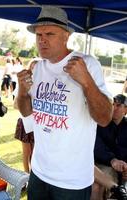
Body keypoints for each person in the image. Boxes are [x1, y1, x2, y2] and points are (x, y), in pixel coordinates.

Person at [17, 5, 112, 200]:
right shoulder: (37, 67)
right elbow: (27, 114)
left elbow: (104, 118)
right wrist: (23, 92)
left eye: (49, 34)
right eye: (39, 34)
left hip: (72, 181)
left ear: (66, 35)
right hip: (39, 172)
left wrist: (86, 81)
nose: (42, 40)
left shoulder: (86, 63)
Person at [92, 94, 127, 200]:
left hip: (120, 169)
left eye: (119, 105)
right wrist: (112, 159)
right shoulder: (101, 123)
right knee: (96, 187)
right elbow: (96, 146)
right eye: (113, 104)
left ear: (125, 110)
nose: (114, 108)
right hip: (100, 164)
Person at [14, 58, 38, 173]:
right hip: (25, 122)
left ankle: (33, 174)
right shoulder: (23, 84)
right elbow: (15, 105)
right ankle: (26, 175)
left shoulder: (42, 84)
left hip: (38, 123)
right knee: (26, 152)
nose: (34, 69)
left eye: (37, 67)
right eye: (32, 67)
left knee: (35, 151)